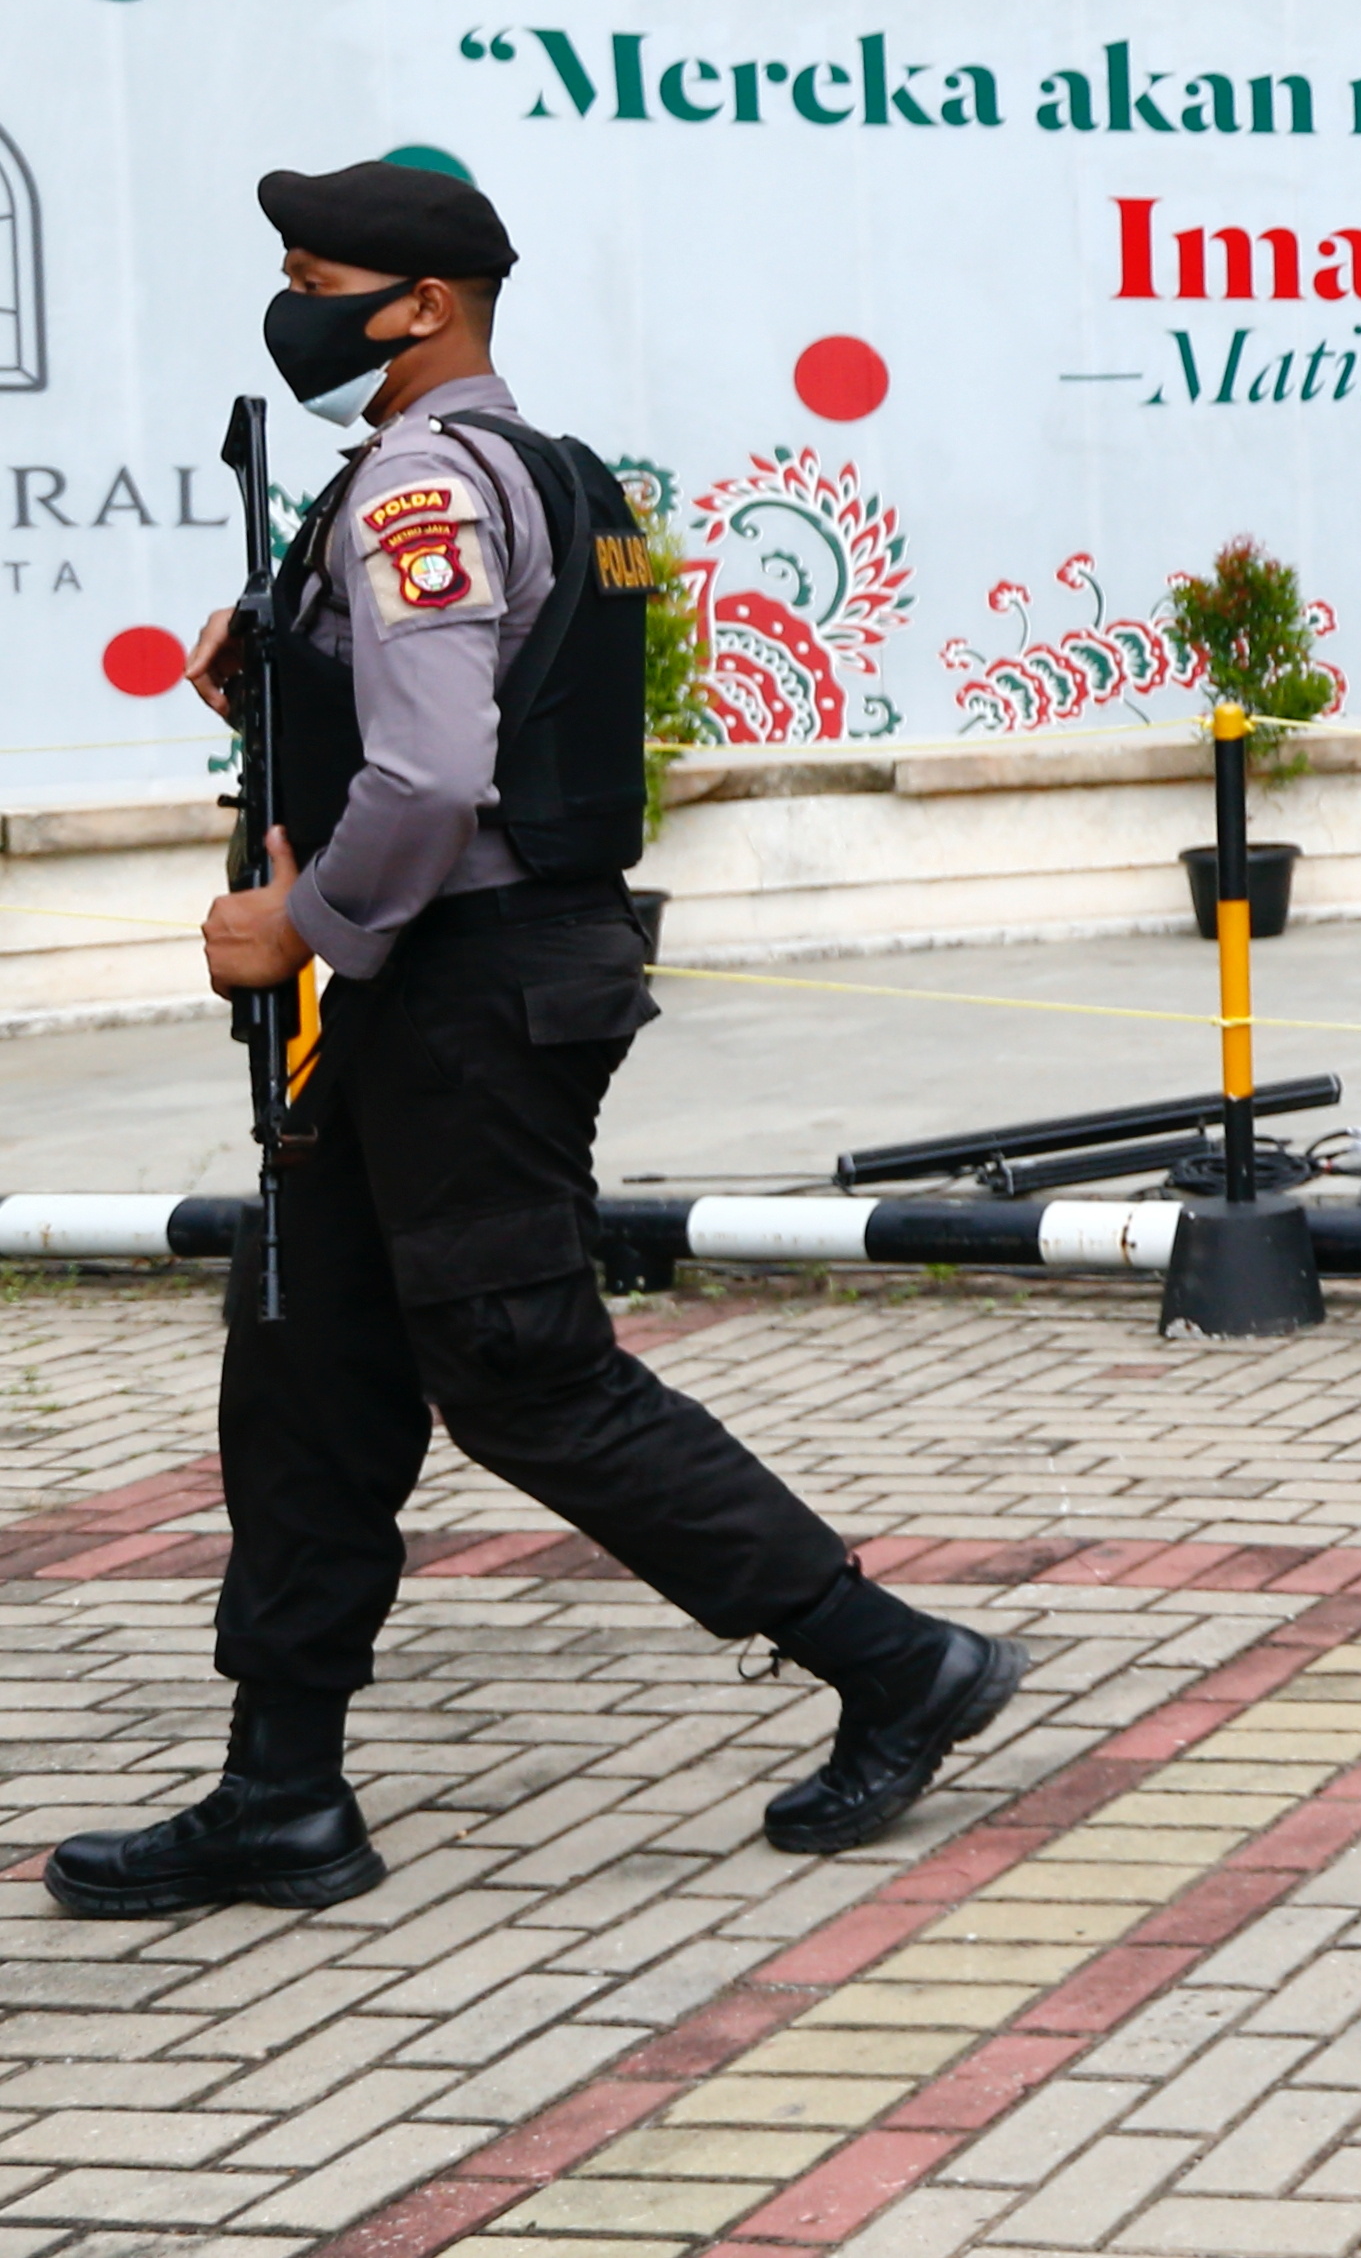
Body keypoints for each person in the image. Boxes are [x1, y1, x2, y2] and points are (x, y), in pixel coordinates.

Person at [46, 164, 1026, 1920]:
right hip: (471, 978)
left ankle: (891, 1660)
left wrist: (302, 925)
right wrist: (279, 658)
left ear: (421, 303)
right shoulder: (541, 470)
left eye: (316, 275)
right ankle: (280, 1790)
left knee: (518, 1365)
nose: (294, 308)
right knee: (310, 1351)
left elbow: (431, 776)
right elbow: (450, 695)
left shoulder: (422, 479)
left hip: (467, 983)